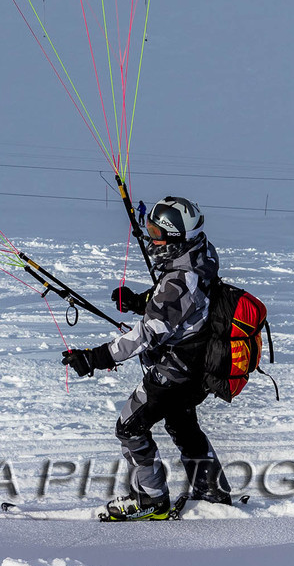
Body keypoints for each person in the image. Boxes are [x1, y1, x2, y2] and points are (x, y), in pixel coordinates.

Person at [63, 195, 230, 520]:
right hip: (197, 365)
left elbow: (146, 335)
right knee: (182, 424)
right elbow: (186, 305)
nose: (151, 239)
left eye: (157, 233)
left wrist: (95, 357)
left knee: (130, 428)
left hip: (177, 370)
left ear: (176, 238)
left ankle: (150, 499)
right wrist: (140, 302)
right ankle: (212, 491)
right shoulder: (201, 253)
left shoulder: (181, 279)